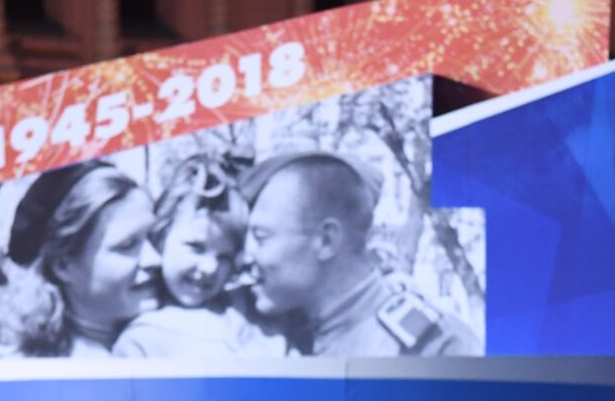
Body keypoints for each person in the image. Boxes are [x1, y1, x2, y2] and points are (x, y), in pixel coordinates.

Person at [239, 152, 480, 356]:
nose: (245, 257)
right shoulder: (266, 333)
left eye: (261, 238)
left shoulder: (433, 349)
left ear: (326, 240)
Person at [0, 161, 161, 357]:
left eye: (154, 237)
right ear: (63, 265)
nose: (155, 259)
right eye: (127, 245)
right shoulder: (20, 367)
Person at [113, 155, 290, 357]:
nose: (210, 267)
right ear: (162, 236)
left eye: (225, 257)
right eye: (196, 247)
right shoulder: (141, 340)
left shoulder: (252, 313)